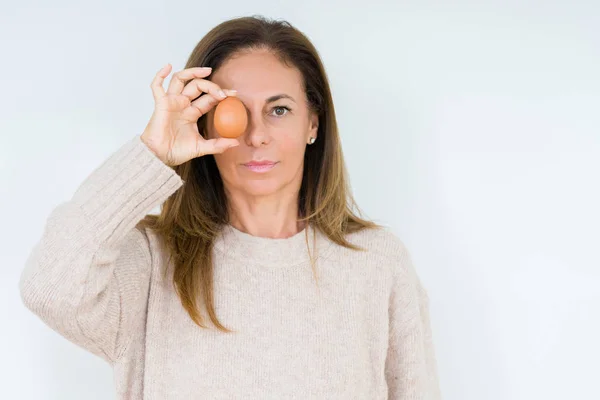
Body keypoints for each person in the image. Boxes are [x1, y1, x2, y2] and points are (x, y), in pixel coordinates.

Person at [19, 15, 441, 400]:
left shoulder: (376, 262)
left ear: (313, 123)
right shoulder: (151, 261)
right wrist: (152, 153)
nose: (256, 135)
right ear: (204, 123)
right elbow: (50, 289)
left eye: (279, 110)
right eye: (232, 111)